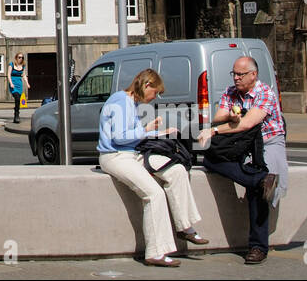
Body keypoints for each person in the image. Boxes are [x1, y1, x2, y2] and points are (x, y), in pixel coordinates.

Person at [98, 68, 208, 268]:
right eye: (155, 92)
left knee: (176, 170)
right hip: (115, 156)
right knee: (154, 194)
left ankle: (184, 226)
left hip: (130, 154)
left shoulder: (130, 102)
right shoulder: (121, 101)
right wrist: (147, 130)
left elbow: (131, 135)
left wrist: (156, 132)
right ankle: (156, 252)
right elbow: (120, 137)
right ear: (146, 85)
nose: (155, 97)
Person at [199, 55, 287, 265]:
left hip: (267, 142)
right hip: (240, 142)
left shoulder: (264, 93)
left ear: (253, 75)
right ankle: (257, 179)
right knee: (211, 159)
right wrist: (230, 115)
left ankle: (258, 247)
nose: (236, 78)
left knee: (260, 193)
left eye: (241, 74)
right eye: (234, 74)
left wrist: (214, 130)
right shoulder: (231, 92)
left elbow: (248, 123)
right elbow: (218, 115)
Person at [7, 52, 31, 124]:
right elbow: (8, 75)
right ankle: (16, 115)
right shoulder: (11, 65)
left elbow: (23, 75)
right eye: (19, 57)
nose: (21, 59)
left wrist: (27, 83)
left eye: (22, 57)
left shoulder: (23, 66)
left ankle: (16, 115)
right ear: (16, 58)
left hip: (19, 84)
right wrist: (11, 83)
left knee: (18, 101)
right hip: (13, 84)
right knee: (17, 98)